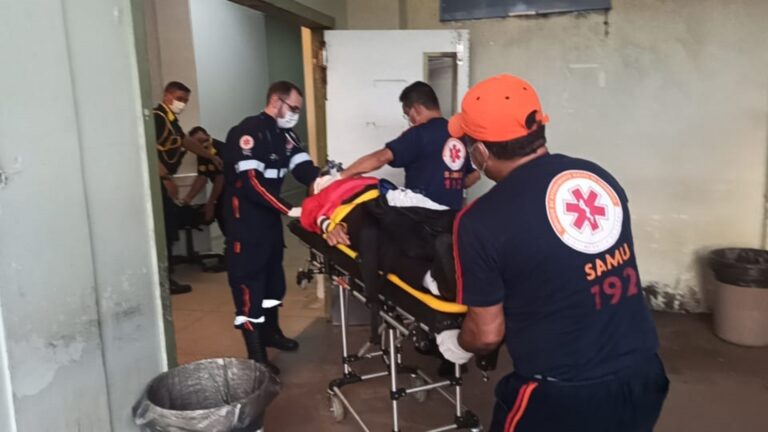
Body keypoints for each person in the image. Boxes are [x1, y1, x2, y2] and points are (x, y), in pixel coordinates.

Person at [437, 74, 668, 431]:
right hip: (644, 374)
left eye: (470, 144)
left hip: (563, 395)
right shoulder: (595, 176)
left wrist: (459, 345)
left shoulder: (480, 221)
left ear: (480, 151)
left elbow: (486, 334)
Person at [221, 81, 321, 375]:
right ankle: (257, 355)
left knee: (272, 283)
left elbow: (305, 170)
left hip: (269, 226)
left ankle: (271, 332)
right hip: (245, 225)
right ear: (276, 101)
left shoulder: (287, 135)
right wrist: (289, 209)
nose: (295, 115)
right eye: (293, 108)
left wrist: (328, 182)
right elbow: (252, 184)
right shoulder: (248, 132)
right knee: (249, 287)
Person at [317, 81, 479, 210]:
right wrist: (449, 188)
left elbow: (380, 158)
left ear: (416, 109)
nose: (410, 121)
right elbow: (474, 175)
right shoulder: (459, 134)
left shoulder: (418, 134)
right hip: (451, 217)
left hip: (423, 219)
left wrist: (340, 177)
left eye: (408, 115)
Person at [154, 81, 223, 294]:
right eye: (179, 98)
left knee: (170, 227)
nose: (182, 103)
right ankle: (164, 280)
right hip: (158, 180)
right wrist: (165, 178)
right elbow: (148, 147)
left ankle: (166, 277)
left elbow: (185, 141)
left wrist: (210, 155)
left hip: (164, 179)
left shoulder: (171, 120)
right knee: (165, 230)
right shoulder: (157, 117)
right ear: (167, 96)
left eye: (185, 100)